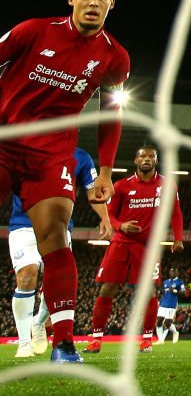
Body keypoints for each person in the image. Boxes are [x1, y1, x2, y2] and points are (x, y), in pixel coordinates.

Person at [0, 0, 130, 363]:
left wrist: (106, 171)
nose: (94, 2)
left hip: (51, 154)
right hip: (5, 141)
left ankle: (63, 343)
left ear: (112, 4)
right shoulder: (32, 31)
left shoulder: (115, 57)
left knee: (55, 235)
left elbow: (111, 115)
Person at [7, 147, 112, 358]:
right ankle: (24, 343)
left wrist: (105, 217)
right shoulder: (24, 148)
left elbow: (92, 190)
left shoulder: (81, 157)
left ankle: (38, 323)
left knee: (57, 283)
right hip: (23, 225)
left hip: (60, 228)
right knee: (27, 275)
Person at [86, 146, 184, 353]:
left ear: (156, 161)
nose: (147, 159)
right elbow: (109, 215)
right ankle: (96, 339)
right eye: (143, 156)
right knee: (108, 288)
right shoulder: (121, 186)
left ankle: (146, 339)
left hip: (147, 246)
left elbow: (175, 212)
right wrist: (121, 226)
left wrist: (178, 238)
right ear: (136, 160)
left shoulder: (167, 185)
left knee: (147, 291)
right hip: (121, 242)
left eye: (151, 156)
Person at [156, 267, 186, 344]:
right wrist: (159, 300)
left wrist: (175, 290)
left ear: (177, 273)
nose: (172, 273)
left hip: (172, 304)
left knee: (167, 323)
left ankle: (175, 332)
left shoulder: (180, 282)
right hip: (163, 303)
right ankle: (160, 340)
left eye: (174, 272)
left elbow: (183, 292)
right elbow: (162, 292)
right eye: (171, 271)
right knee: (159, 321)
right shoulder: (165, 282)